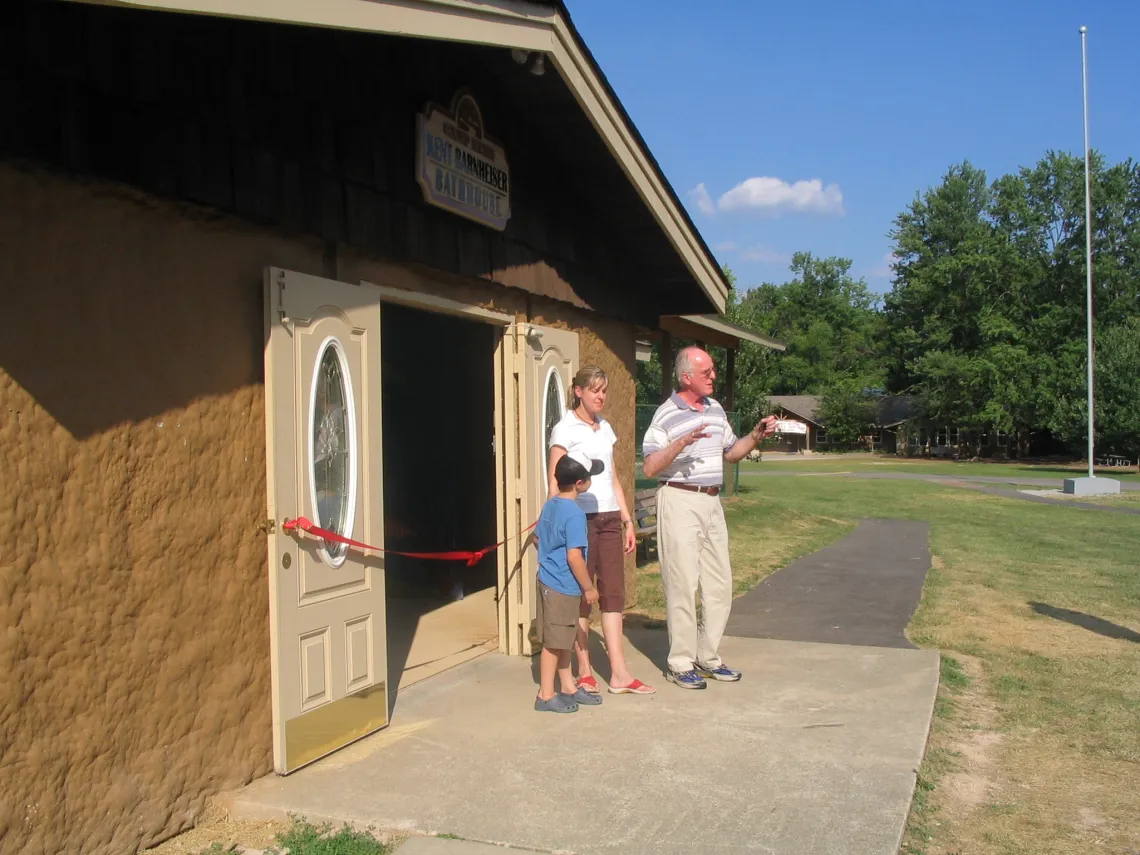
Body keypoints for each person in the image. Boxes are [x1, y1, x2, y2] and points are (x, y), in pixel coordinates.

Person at [642, 346, 779, 690]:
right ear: (686, 377)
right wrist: (680, 444)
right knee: (683, 584)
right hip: (680, 499)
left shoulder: (715, 409)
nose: (714, 377)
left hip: (712, 503)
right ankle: (680, 662)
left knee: (720, 584)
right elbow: (649, 466)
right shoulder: (666, 415)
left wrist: (755, 436)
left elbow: (731, 453)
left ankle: (708, 656)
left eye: (714, 371)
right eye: (707, 373)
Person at [548, 366, 656, 696]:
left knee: (612, 597)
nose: (601, 396)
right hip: (580, 520)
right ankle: (584, 670)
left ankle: (620, 673)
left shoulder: (605, 428)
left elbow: (612, 479)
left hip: (610, 518)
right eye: (594, 389)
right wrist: (553, 524)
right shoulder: (564, 429)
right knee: (583, 595)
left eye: (604, 390)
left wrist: (627, 522)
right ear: (578, 391)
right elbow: (556, 481)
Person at [534, 452, 607, 713]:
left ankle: (567, 687)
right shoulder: (575, 515)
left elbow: (537, 538)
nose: (590, 481)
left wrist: (548, 558)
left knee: (563, 637)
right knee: (554, 644)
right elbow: (574, 556)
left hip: (548, 581)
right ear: (579, 484)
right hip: (562, 587)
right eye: (589, 477)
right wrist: (589, 587)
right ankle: (545, 694)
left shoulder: (551, 505)